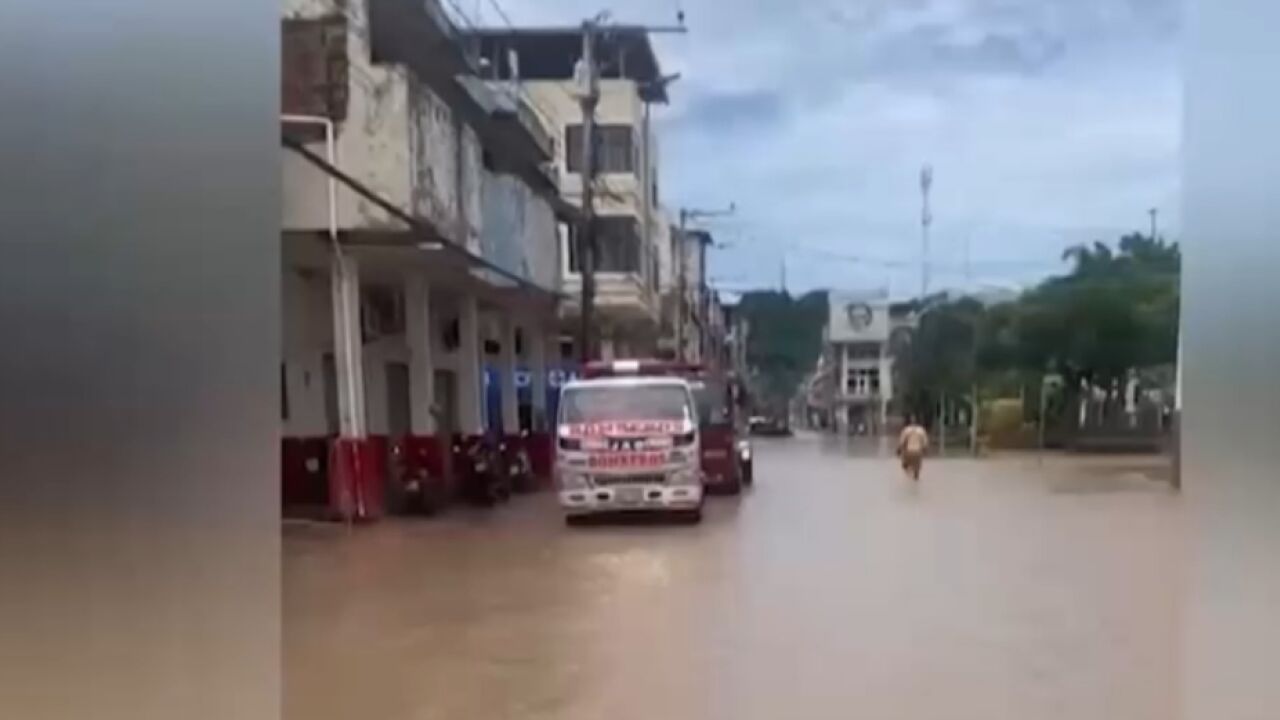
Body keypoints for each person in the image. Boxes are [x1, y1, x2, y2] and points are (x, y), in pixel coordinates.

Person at [897, 416, 929, 480]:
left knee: (905, 466)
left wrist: (898, 450)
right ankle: (914, 477)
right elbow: (925, 442)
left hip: (908, 451)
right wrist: (925, 450)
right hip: (918, 452)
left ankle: (909, 477)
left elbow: (902, 442)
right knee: (917, 469)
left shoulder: (906, 430)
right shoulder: (921, 430)